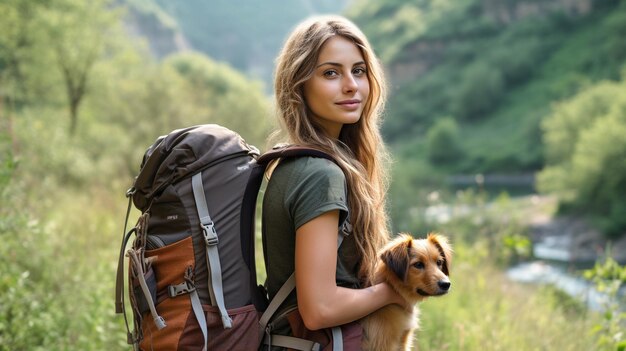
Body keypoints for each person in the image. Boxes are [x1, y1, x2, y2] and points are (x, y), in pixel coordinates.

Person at [262, 15, 406, 349]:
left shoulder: (295, 163)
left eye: (358, 71)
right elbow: (318, 309)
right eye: (331, 73)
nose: (351, 85)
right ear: (298, 85)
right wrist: (393, 291)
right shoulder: (319, 174)